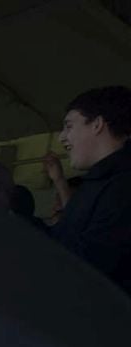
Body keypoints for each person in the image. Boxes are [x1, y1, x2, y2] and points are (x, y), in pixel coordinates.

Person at [44, 85, 131, 290]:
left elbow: (88, 264)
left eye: (69, 126)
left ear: (97, 124)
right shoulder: (102, 181)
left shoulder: (123, 186)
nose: (62, 137)